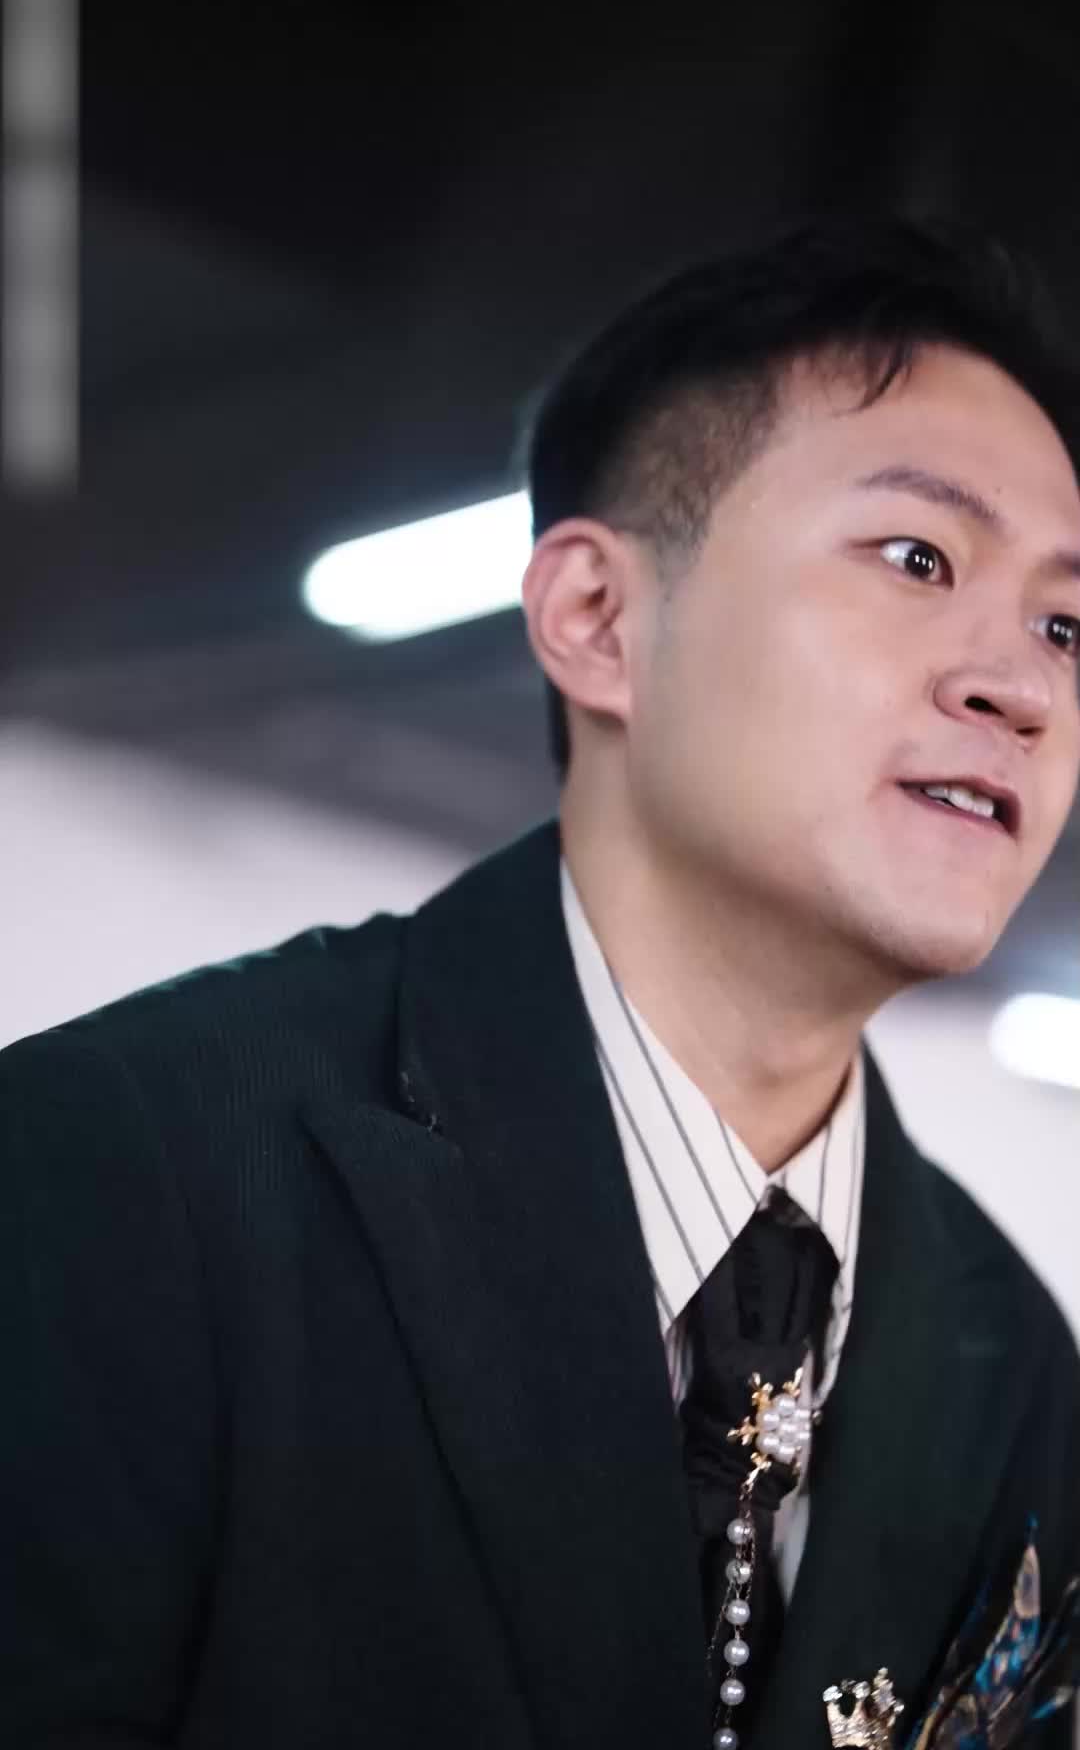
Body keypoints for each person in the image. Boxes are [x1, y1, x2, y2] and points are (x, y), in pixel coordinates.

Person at [4, 215, 1080, 1750]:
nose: (1024, 685)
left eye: (1064, 623)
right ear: (596, 619)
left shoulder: (1011, 1358)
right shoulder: (124, 1170)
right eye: (919, 558)